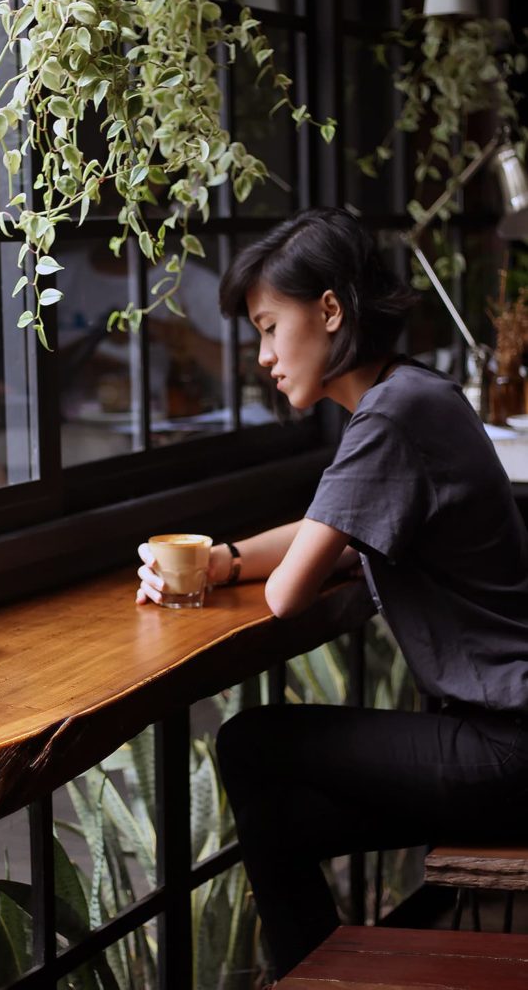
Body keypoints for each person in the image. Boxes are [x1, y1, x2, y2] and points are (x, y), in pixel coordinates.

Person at [135, 207, 528, 980]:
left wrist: (235, 566)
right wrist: (219, 560)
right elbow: (333, 527)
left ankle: (309, 974)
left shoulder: (390, 415)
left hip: (505, 747)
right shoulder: (414, 393)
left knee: (250, 746)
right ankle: (320, 973)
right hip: (503, 739)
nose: (262, 357)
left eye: (268, 327)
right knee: (282, 822)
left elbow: (288, 593)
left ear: (329, 310)